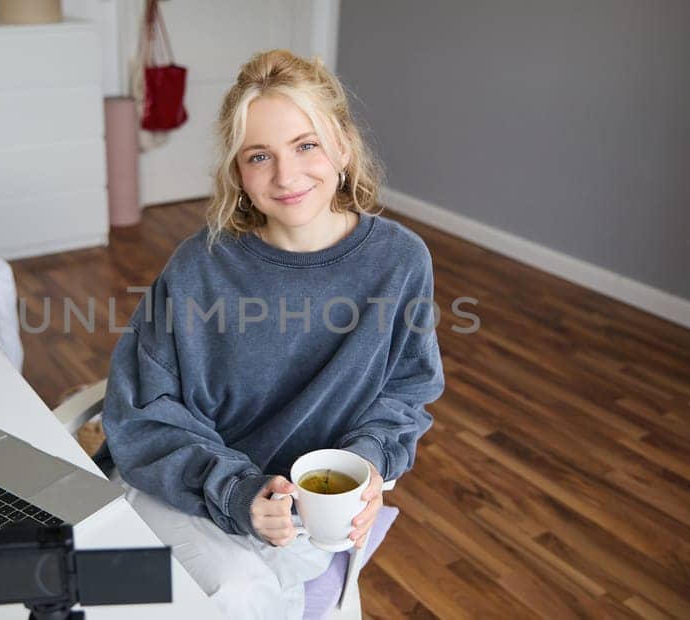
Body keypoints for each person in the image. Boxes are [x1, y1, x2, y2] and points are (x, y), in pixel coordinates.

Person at [97, 48, 445, 620]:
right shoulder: (198, 268)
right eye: (260, 156)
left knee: (268, 590)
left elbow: (405, 390)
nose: (286, 176)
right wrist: (236, 490)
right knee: (241, 593)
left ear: (344, 147)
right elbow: (140, 413)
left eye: (305, 145)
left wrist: (368, 463)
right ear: (238, 173)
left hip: (302, 511)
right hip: (184, 487)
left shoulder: (399, 261)